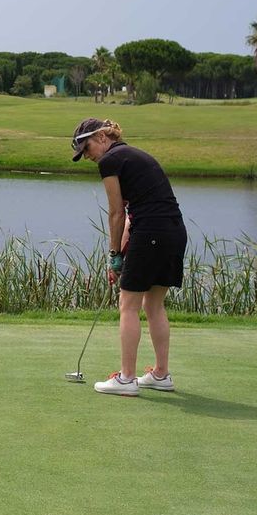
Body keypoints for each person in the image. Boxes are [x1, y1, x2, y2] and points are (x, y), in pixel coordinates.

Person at [71, 117, 187, 397]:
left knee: (129, 305)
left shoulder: (110, 160)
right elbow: (130, 215)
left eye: (86, 149)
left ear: (101, 138)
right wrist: (120, 255)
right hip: (172, 231)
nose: (87, 157)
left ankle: (126, 379)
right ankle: (161, 375)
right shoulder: (134, 156)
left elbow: (115, 213)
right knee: (154, 304)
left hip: (151, 233)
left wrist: (113, 254)